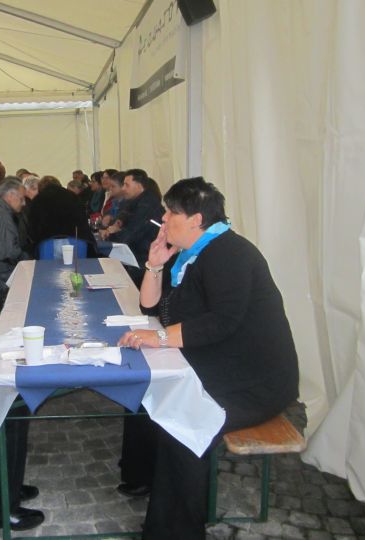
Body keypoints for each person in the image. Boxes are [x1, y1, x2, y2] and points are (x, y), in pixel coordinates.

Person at [117, 177, 299, 539]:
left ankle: (175, 531)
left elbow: (221, 322)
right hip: (217, 362)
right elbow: (151, 307)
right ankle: (141, 477)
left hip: (254, 381)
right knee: (145, 391)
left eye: (171, 212)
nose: (163, 219)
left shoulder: (230, 254)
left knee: (183, 425)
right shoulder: (191, 254)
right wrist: (154, 265)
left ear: (196, 220)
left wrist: (160, 337)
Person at [101, 169, 164, 286]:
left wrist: (113, 232)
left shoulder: (148, 207)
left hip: (143, 262)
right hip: (136, 257)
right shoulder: (133, 203)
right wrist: (117, 224)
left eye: (127, 185)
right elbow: (121, 219)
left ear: (139, 186)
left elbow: (128, 236)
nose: (123, 188)